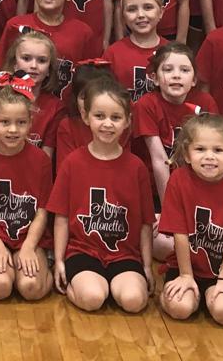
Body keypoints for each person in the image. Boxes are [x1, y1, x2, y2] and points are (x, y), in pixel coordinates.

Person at [48, 77, 153, 313]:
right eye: (99, 116)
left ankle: (114, 286)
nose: (107, 124)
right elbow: (61, 217)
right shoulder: (72, 163)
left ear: (127, 121)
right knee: (93, 298)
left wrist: (147, 266)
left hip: (124, 254)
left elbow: (146, 223)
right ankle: (81, 286)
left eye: (116, 117)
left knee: (134, 301)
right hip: (83, 251)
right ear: (86, 117)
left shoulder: (136, 167)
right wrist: (59, 261)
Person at [158, 114, 223, 325]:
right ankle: (174, 295)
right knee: (180, 308)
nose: (209, 156)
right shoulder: (178, 180)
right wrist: (186, 275)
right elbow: (180, 234)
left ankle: (212, 295)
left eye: (218, 150)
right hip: (185, 266)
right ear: (187, 154)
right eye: (200, 149)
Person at [0, 76, 54, 301]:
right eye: (5, 122)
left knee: (30, 288)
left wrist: (29, 246)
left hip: (29, 236)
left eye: (21, 122)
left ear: (30, 122)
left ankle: (47, 268)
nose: (13, 129)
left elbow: (42, 211)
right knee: (0, 286)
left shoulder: (41, 161)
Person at [133, 43, 217, 260]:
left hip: (196, 189)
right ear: (154, 78)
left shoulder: (205, 102)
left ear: (194, 79)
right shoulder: (146, 105)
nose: (176, 76)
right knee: (164, 245)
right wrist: (170, 211)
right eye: (168, 70)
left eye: (184, 70)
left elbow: (212, 154)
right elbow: (159, 159)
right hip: (159, 192)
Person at [0, 0, 98, 101]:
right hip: (18, 108)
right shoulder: (15, 25)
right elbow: (0, 73)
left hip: (64, 110)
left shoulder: (83, 32)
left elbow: (90, 83)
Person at [0, 32, 63, 158]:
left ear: (49, 69)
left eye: (42, 60)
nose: (33, 66)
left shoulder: (55, 106)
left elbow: (46, 156)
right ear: (15, 64)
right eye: (26, 58)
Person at [104, 0, 165, 103]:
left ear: (161, 12)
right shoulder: (112, 54)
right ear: (123, 16)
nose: (140, 15)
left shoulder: (173, 52)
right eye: (132, 9)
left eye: (148, 7)